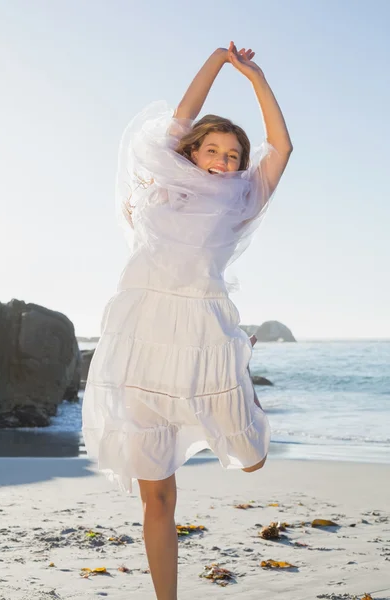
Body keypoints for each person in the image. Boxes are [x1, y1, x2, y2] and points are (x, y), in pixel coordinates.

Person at [82, 41, 293, 600]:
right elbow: (181, 118)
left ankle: (246, 391)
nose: (224, 161)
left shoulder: (243, 197)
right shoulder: (166, 181)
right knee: (158, 496)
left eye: (233, 154)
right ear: (194, 152)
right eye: (214, 151)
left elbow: (282, 147)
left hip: (203, 336)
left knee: (250, 462)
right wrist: (218, 62)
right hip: (141, 337)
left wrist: (256, 79)